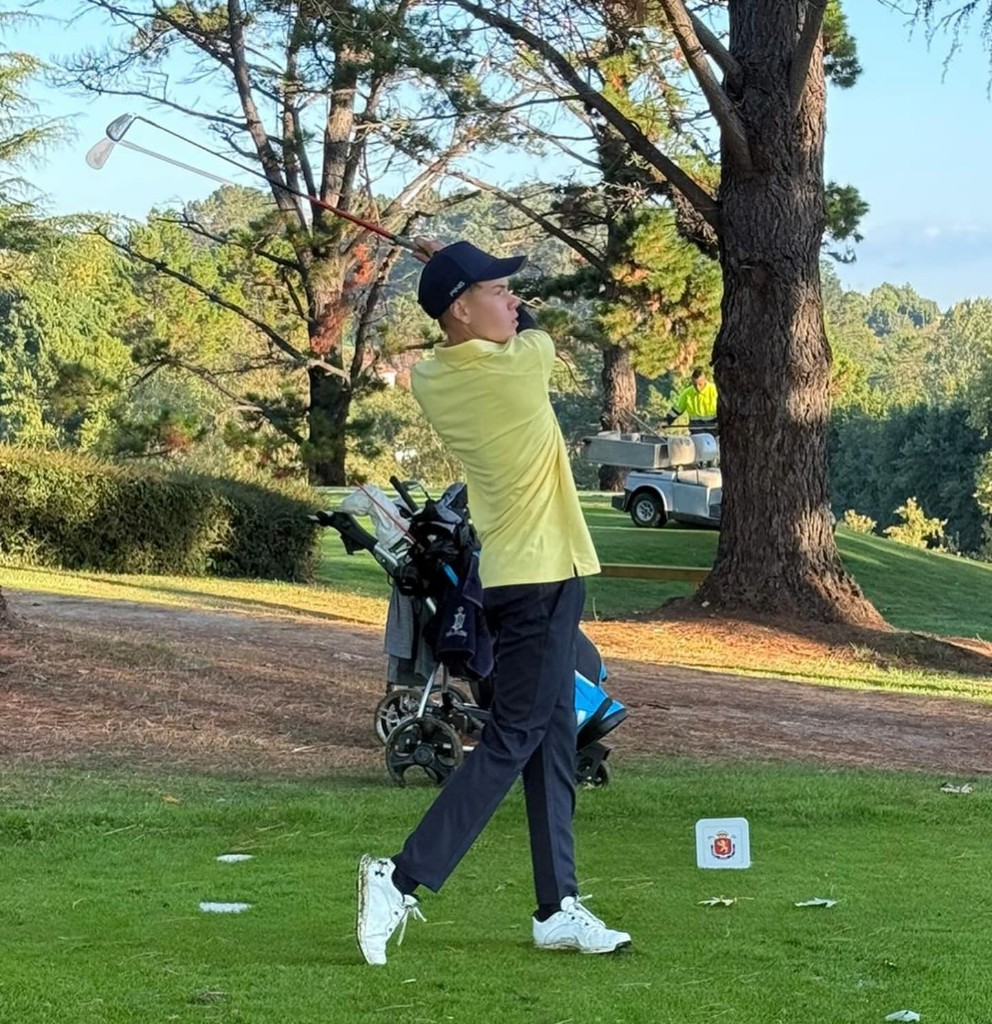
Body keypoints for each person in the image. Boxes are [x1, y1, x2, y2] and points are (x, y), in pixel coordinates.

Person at [355, 239, 631, 966]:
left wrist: (475, 288)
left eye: (511, 291)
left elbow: (515, 324)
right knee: (515, 735)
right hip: (540, 577)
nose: (513, 299)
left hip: (521, 575)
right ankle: (401, 877)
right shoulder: (519, 371)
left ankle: (557, 905)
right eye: (498, 290)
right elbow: (536, 331)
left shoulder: (436, 379)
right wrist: (504, 307)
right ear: (461, 309)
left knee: (551, 736)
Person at [662, 366, 718, 434]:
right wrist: (666, 421)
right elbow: (676, 410)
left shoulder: (715, 390)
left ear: (705, 379)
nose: (697, 387)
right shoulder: (687, 393)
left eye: (700, 384)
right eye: (695, 384)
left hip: (714, 431)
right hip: (696, 433)